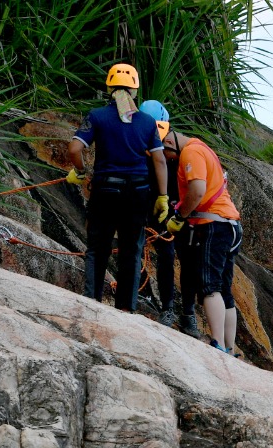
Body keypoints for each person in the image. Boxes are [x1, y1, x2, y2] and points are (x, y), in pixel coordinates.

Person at [68, 63, 169, 312]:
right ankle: (127, 308)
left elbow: (74, 149)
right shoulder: (147, 123)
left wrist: (81, 171)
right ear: (135, 91)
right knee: (131, 250)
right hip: (137, 192)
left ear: (109, 88)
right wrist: (163, 197)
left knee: (97, 247)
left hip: (105, 189)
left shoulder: (97, 116)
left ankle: (91, 299)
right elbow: (159, 161)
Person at [162, 128, 243, 354]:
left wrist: (179, 216)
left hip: (213, 226)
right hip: (231, 225)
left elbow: (197, 191)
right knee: (225, 290)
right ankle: (229, 347)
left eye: (167, 153)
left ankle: (217, 344)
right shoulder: (205, 149)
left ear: (169, 141)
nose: (168, 159)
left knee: (210, 286)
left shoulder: (191, 152)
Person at [136, 100, 199, 337]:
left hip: (177, 208)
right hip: (154, 204)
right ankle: (166, 307)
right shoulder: (141, 137)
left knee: (184, 258)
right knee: (164, 253)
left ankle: (187, 313)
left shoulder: (180, 148)